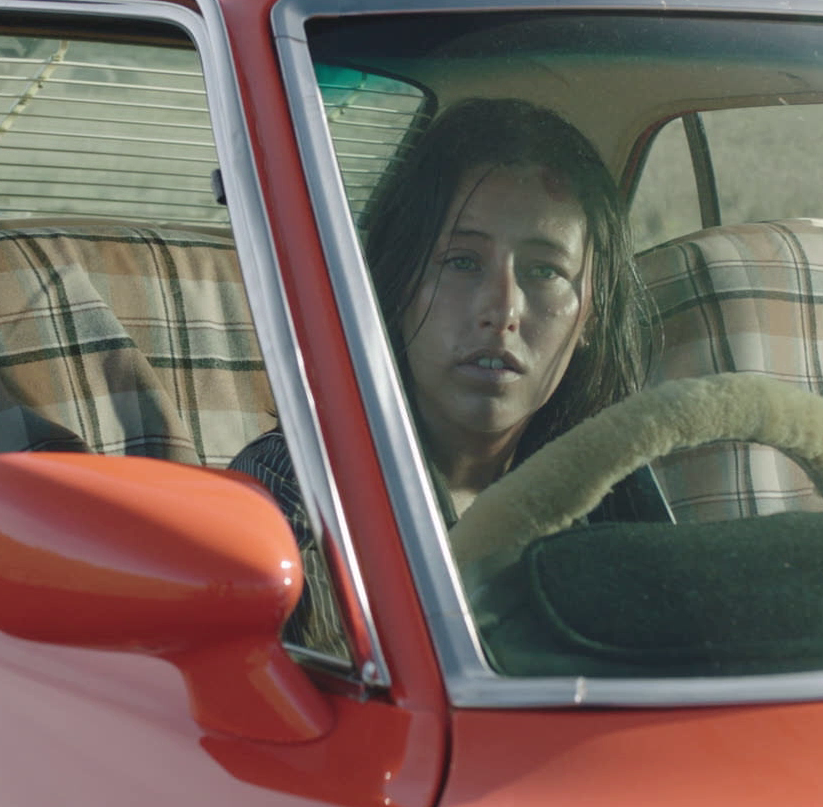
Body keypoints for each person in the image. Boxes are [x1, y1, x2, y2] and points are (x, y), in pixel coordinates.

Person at [232, 98, 663, 652]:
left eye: (544, 271)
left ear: (591, 317)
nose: (501, 309)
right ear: (398, 284)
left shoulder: (611, 495)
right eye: (462, 262)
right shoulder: (298, 497)